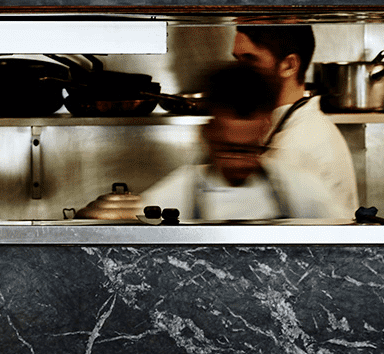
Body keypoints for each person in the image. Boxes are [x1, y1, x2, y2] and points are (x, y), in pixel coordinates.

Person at [86, 64, 351, 221]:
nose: (239, 162)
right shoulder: (179, 192)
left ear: (264, 131)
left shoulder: (300, 189)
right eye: (228, 150)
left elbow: (342, 243)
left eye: (250, 150)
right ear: (208, 135)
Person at [231, 24, 360, 212]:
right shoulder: (294, 124)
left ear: (289, 65)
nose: (237, 74)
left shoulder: (297, 146)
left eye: (250, 61)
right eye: (237, 60)